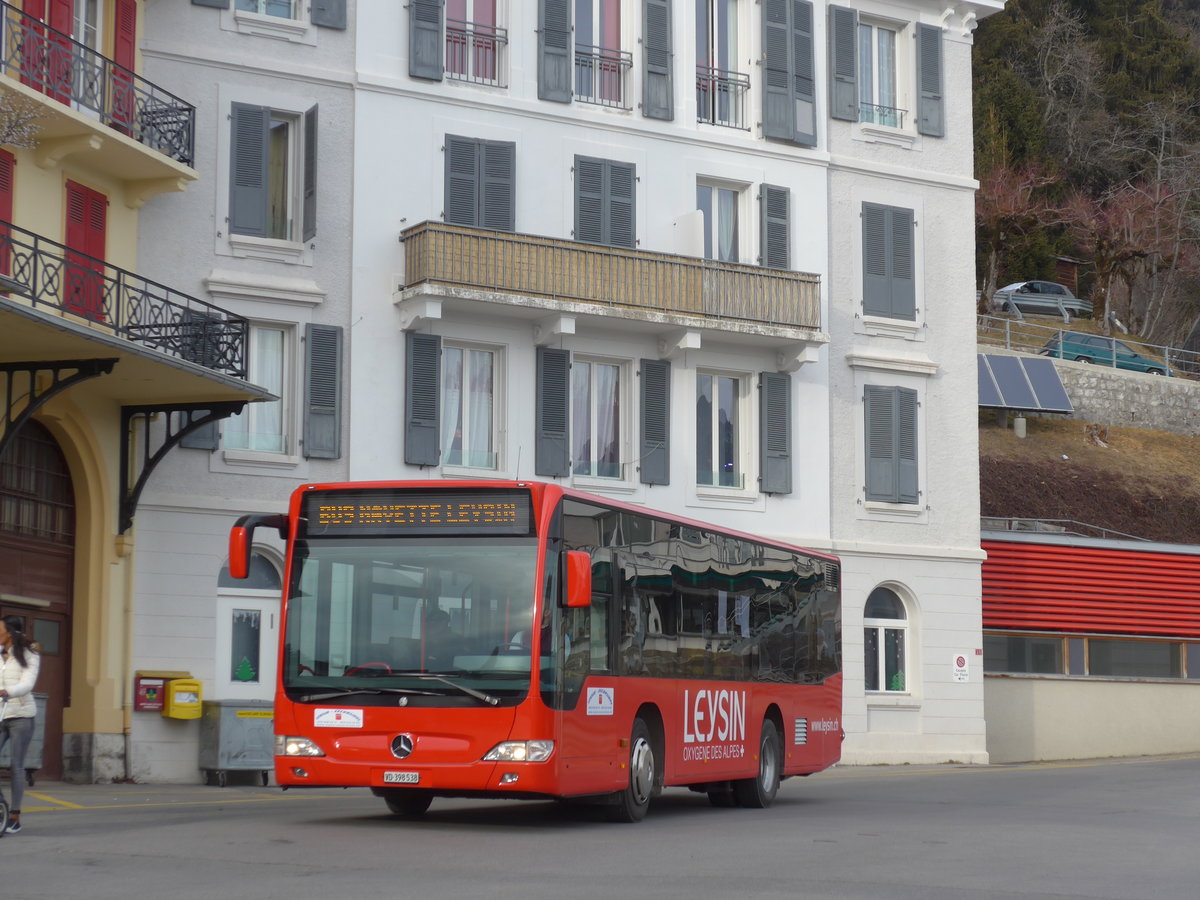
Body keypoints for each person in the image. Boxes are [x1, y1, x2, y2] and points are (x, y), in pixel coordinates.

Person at [0, 615, 40, 834]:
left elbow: (27, 683)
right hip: (0, 714)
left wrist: (8, 691)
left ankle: (15, 815)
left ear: (10, 633)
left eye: (0, 629)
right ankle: (1, 806)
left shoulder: (30, 655)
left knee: (16, 765)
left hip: (22, 715)